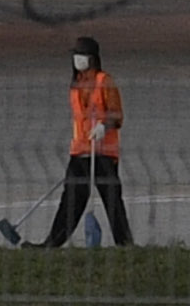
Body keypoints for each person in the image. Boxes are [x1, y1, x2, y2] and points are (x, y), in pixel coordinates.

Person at [41, 34, 131, 248]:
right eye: (76, 55)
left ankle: (125, 244)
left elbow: (117, 113)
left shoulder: (104, 81)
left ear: (92, 58)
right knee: (71, 198)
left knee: (112, 200)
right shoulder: (76, 85)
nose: (77, 60)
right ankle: (53, 242)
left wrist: (104, 126)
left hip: (103, 152)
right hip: (80, 150)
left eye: (81, 55)